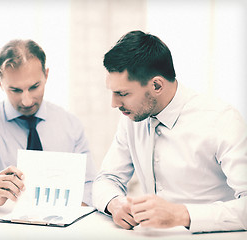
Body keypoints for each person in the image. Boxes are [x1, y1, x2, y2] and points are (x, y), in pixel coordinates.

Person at [92, 30, 247, 233]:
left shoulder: (222, 120)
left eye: (123, 93)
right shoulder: (133, 117)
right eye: (112, 92)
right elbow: (107, 178)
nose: (114, 104)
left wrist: (180, 215)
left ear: (157, 85)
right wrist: (115, 203)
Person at [0, 39, 96, 207]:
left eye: (34, 87)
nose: (26, 101)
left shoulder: (71, 125)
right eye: (16, 90)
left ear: (46, 75)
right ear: (0, 83)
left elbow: (89, 187)